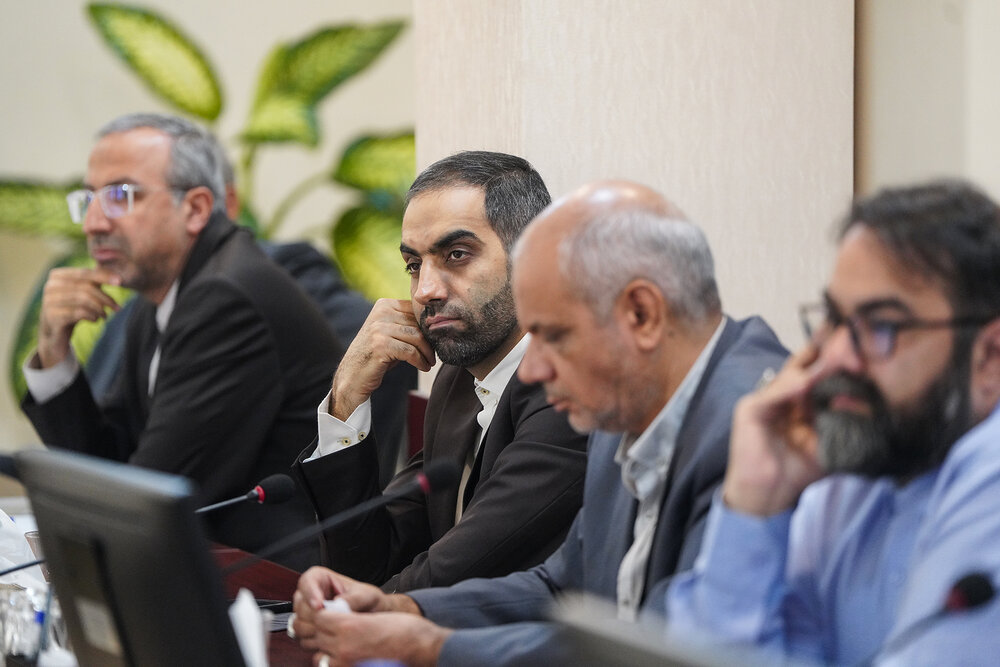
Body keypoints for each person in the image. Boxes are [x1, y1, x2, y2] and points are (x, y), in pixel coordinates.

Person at [288, 180, 788, 666]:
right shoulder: (624, 397)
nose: (532, 370)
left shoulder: (755, 430)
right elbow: (563, 583)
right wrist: (405, 610)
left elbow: (670, 652)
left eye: (553, 337)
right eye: (414, 266)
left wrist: (428, 646)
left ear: (641, 314)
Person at [665, 180, 1000, 665]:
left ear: (990, 356)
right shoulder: (852, 471)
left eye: (883, 326)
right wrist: (755, 498)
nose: (838, 356)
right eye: (835, 319)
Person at [20, 112, 343, 571]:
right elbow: (109, 463)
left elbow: (143, 500)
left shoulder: (226, 298)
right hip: (200, 570)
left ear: (195, 209)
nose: (92, 222)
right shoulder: (163, 294)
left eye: (119, 196)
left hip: (273, 586)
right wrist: (54, 350)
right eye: (88, 198)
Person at [292, 151, 590, 592]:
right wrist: (346, 397)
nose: (425, 291)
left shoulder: (572, 388)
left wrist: (342, 612)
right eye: (414, 266)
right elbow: (371, 566)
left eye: (456, 254)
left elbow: (455, 575)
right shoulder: (458, 378)